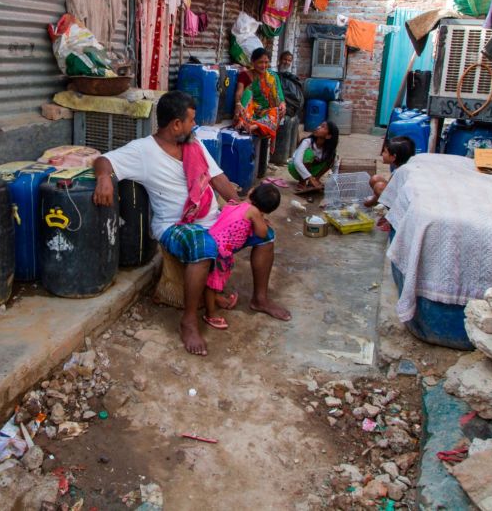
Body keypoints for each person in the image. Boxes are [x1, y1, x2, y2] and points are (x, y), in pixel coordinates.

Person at [92, 91, 290, 357]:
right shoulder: (143, 151)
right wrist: (104, 177)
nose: (193, 126)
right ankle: (188, 321)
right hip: (175, 226)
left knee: (265, 234)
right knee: (202, 244)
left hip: (213, 220)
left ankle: (260, 299)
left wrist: (244, 208)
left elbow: (218, 179)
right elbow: (104, 160)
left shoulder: (193, 145)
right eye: (190, 121)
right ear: (176, 124)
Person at [203, 183, 282, 331]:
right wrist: (261, 219)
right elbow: (262, 233)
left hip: (212, 240)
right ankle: (210, 314)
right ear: (267, 210)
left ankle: (215, 299)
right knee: (213, 283)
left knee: (212, 280)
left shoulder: (236, 203)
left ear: (251, 192)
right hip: (221, 251)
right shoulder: (253, 212)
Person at [234, 47, 286, 149]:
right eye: (260, 62)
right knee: (247, 93)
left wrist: (282, 105)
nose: (264, 66)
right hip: (250, 111)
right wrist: (238, 103)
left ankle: (255, 126)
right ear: (253, 62)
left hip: (265, 114)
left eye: (266, 62)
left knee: (277, 111)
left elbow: (280, 97)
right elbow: (239, 93)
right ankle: (246, 123)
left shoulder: (273, 76)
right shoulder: (245, 75)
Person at [364, 136, 416, 207]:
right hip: (398, 194)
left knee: (379, 187)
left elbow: (389, 190)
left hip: (403, 203)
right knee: (375, 179)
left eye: (385, 152)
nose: (382, 154)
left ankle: (387, 208)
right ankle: (381, 202)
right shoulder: (399, 167)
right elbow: (390, 186)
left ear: (394, 157)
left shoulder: (401, 172)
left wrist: (371, 201)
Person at [288, 121, 339, 191]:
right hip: (295, 168)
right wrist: (310, 178)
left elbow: (336, 167)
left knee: (331, 158)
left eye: (323, 127)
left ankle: (315, 180)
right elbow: (297, 162)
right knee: (309, 154)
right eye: (320, 125)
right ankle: (302, 183)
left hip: (311, 171)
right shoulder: (307, 142)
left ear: (328, 136)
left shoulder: (328, 150)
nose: (318, 127)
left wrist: (334, 183)